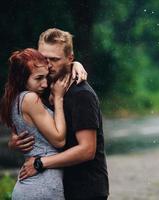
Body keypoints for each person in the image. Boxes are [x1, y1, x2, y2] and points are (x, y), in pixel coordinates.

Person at [14, 28, 109, 200]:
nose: (48, 64)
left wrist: (40, 163)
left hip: (85, 189)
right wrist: (15, 140)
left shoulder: (81, 94)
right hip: (57, 187)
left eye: (55, 59)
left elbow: (87, 150)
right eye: (44, 58)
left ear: (70, 58)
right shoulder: (42, 87)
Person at [0, 48, 70, 199]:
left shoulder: (14, 99)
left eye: (46, 77)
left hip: (32, 186)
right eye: (38, 79)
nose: (45, 84)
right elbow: (59, 140)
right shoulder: (30, 99)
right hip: (41, 187)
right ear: (21, 79)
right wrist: (58, 99)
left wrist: (75, 64)